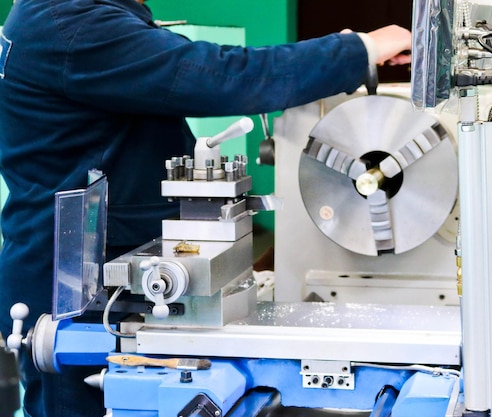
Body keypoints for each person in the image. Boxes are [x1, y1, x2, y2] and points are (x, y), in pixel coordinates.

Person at [0, 0, 411, 416]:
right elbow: (217, 75)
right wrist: (358, 50)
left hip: (97, 267)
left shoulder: (65, 16)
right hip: (76, 286)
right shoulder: (72, 23)